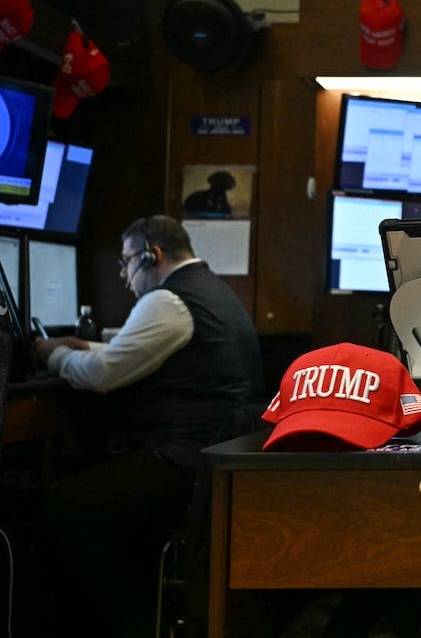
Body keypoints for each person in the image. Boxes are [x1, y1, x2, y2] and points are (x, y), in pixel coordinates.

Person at [31, 214, 265, 637]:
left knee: (64, 509)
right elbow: (147, 349)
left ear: (150, 255)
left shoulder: (167, 300)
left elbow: (102, 375)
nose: (123, 275)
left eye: (125, 262)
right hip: (214, 456)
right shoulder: (210, 290)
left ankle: (126, 624)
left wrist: (51, 353)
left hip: (183, 461)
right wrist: (91, 346)